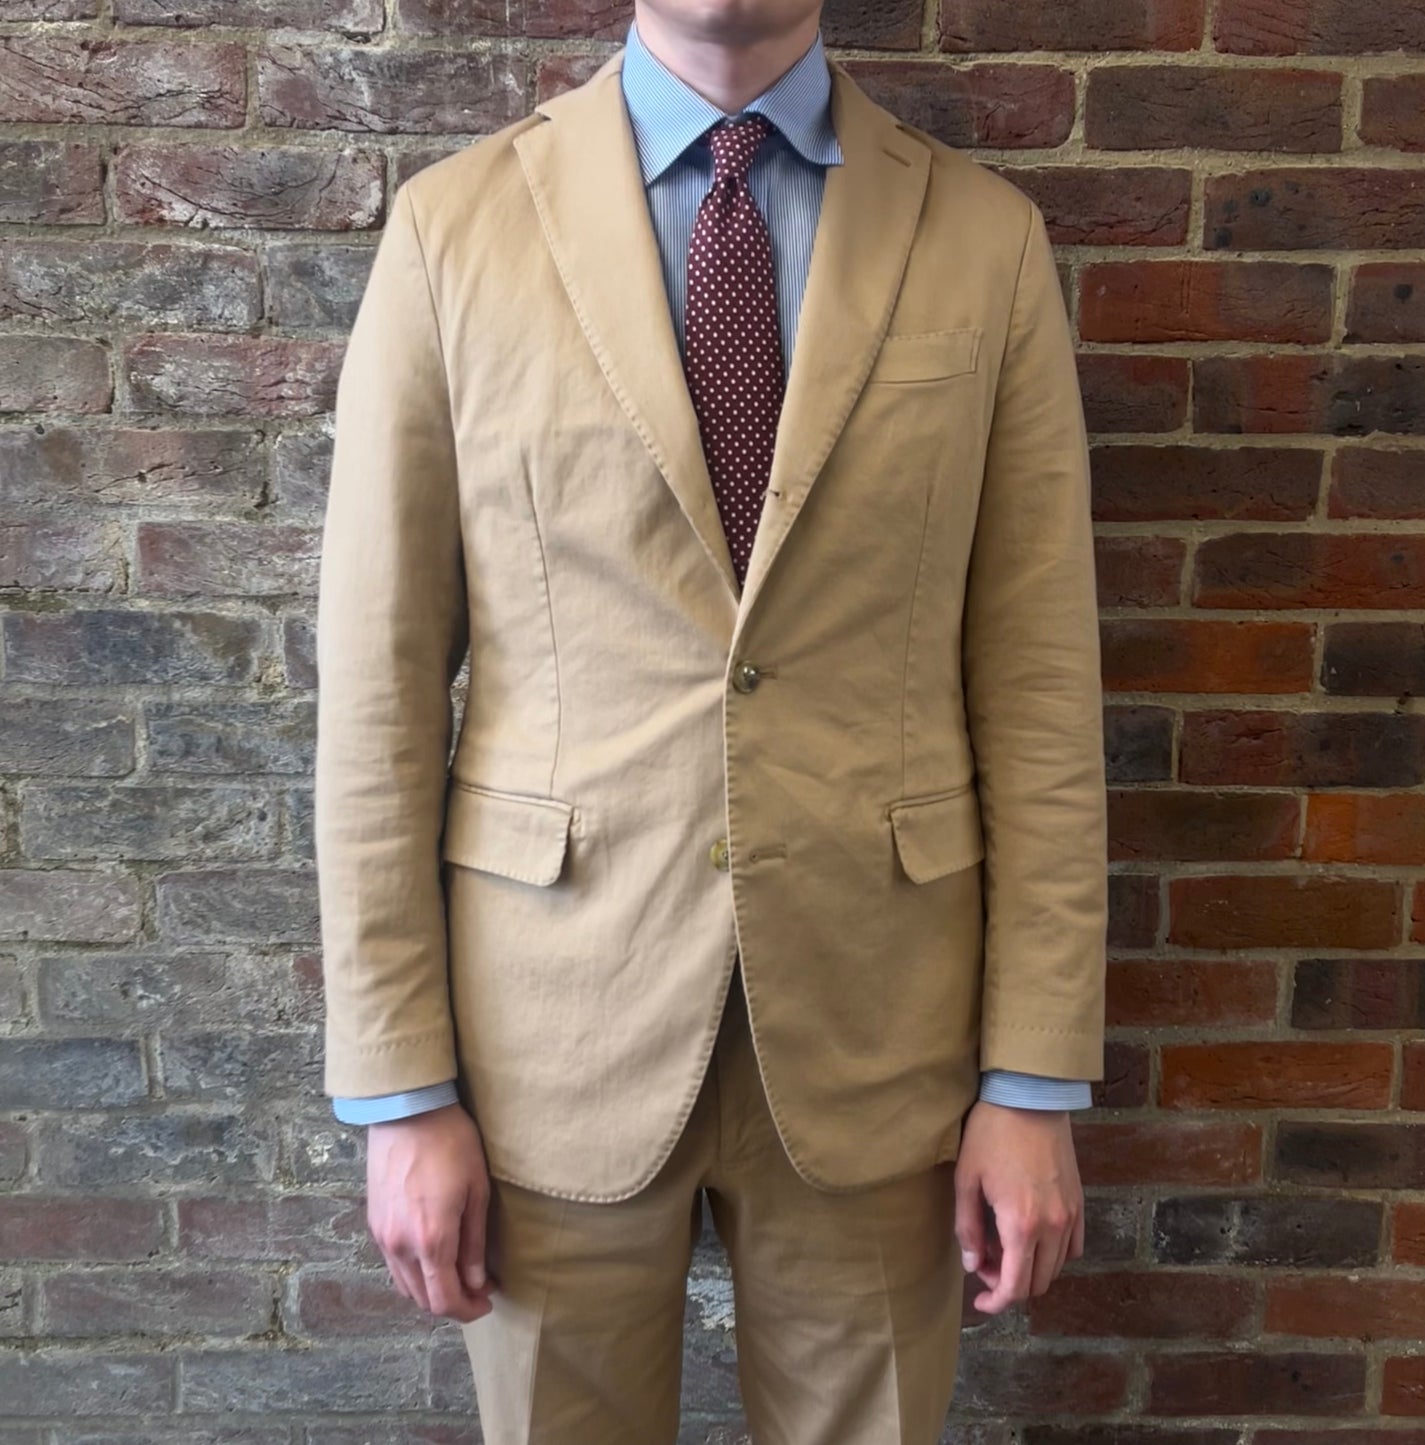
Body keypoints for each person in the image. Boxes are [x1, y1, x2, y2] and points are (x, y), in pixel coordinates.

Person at [313, 1, 1108, 1440]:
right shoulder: (457, 229)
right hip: (545, 1039)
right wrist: (397, 1089)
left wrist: (1032, 1076)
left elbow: (1040, 684)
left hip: (886, 1035)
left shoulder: (983, 239)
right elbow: (375, 691)